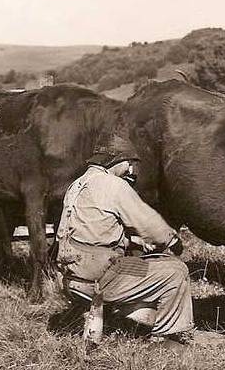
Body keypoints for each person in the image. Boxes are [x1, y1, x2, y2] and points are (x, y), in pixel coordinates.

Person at [56, 139, 194, 346]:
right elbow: (149, 223)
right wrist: (172, 241)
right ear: (118, 160)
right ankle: (166, 338)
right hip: (97, 277)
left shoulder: (78, 184)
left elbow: (91, 230)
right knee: (176, 271)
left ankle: (119, 318)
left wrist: (132, 240)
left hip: (69, 275)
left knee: (136, 264)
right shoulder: (113, 184)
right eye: (129, 163)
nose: (130, 169)